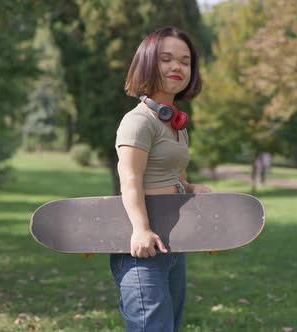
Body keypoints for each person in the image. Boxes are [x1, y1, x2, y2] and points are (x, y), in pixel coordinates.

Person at [111, 26, 211, 331]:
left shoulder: (176, 125)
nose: (177, 67)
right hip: (143, 247)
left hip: (172, 241)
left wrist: (194, 188)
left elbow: (175, 177)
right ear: (148, 63)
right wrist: (141, 230)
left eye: (185, 61)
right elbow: (130, 179)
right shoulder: (138, 121)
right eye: (166, 58)